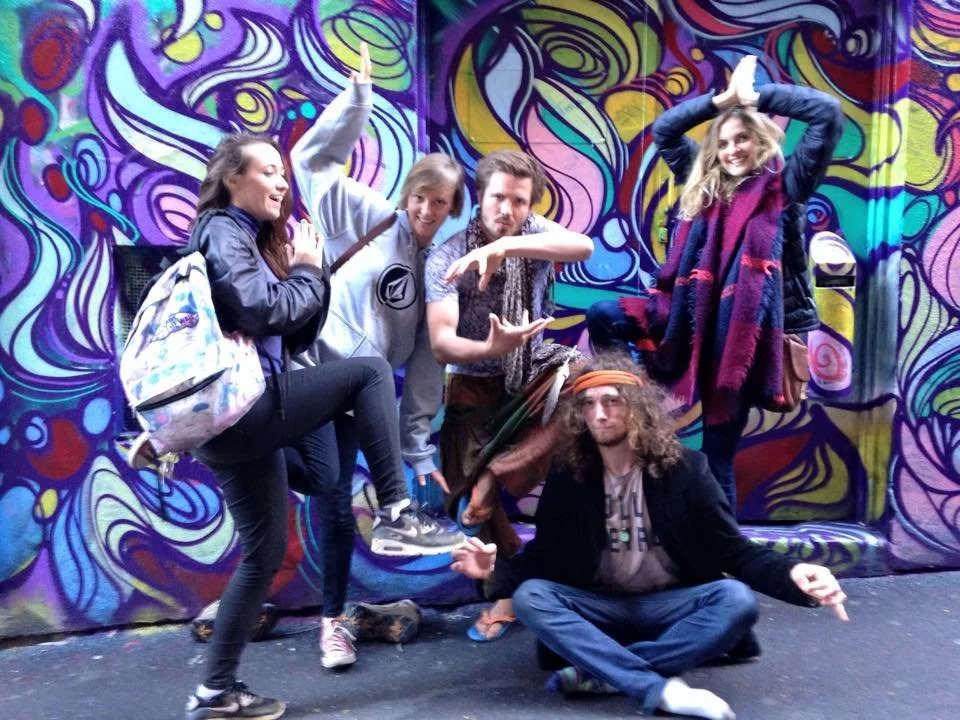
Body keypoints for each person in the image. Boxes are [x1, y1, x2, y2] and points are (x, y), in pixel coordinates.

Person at [180, 131, 437, 720]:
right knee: (368, 373)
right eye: (268, 171)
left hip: (231, 425)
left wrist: (308, 272)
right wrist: (303, 271)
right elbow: (261, 308)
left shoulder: (243, 239)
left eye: (282, 173)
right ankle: (397, 512)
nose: (280, 181)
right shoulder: (222, 230)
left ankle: (214, 691)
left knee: (270, 543)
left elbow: (292, 330)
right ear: (230, 179)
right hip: (248, 406)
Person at [451, 352, 848, 720]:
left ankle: (607, 672)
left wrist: (793, 573)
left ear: (637, 409)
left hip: (672, 608)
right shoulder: (570, 476)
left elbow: (734, 551)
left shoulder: (688, 471)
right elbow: (546, 559)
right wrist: (492, 571)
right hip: (600, 607)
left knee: (736, 600)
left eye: (612, 401)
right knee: (531, 597)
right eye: (588, 404)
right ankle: (662, 690)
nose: (599, 414)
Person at [586, 55, 844, 511]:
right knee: (604, 315)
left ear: (760, 140)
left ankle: (723, 557)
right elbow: (665, 130)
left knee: (717, 457)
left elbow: (827, 113)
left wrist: (757, 98)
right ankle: (636, 397)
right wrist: (720, 102)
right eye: (723, 142)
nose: (732, 150)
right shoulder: (701, 183)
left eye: (742, 138)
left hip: (745, 339)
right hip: (686, 322)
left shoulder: (787, 187)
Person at [287, 41, 465, 669]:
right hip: (315, 379)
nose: (424, 209)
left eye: (438, 202)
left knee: (346, 502)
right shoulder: (362, 216)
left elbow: (423, 373)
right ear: (408, 192)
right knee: (333, 501)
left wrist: (418, 447)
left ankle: (339, 615)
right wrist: (356, 100)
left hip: (368, 403)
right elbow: (311, 161)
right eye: (419, 195)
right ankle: (332, 624)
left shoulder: (437, 271)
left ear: (451, 210)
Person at [424, 149, 593, 640]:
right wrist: (488, 346)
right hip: (475, 374)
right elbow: (440, 344)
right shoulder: (449, 253)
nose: (507, 210)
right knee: (462, 486)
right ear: (480, 198)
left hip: (533, 368)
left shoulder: (533, 232)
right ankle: (510, 586)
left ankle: (493, 475)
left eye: (519, 202)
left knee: (591, 390)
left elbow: (581, 247)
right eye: (498, 197)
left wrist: (510, 249)